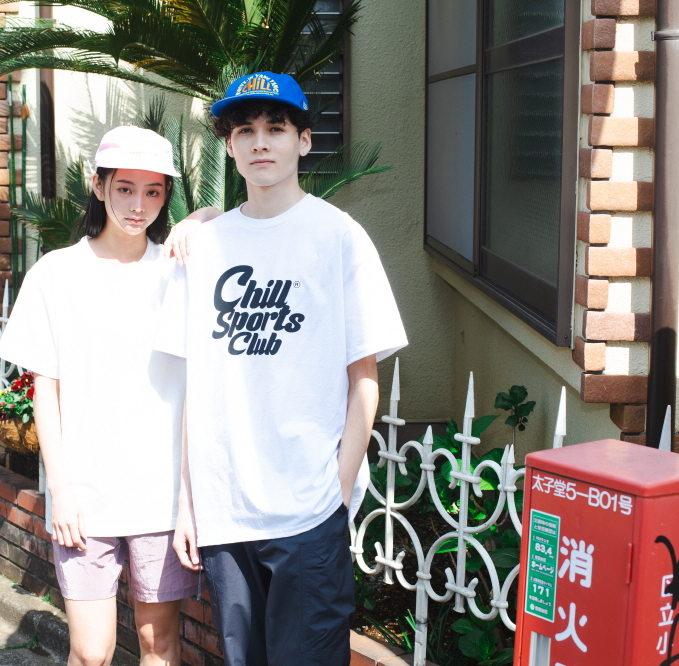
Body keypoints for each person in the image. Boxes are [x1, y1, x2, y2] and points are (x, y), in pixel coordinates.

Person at [154, 72, 407, 666]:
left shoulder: (339, 237)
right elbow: (192, 386)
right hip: (226, 511)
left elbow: (364, 378)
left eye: (276, 128)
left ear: (304, 140)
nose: (261, 142)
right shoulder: (201, 246)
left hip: (309, 511)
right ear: (230, 146)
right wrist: (187, 503)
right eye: (245, 131)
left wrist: (336, 492)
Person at [0, 125, 218, 666]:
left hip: (161, 498)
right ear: (97, 186)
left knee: (158, 643)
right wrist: (61, 491)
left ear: (167, 197)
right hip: (85, 497)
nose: (138, 205)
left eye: (153, 191)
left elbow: (238, 215)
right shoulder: (56, 274)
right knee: (91, 652)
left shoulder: (178, 270)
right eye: (124, 188)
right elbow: (45, 389)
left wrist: (197, 219)